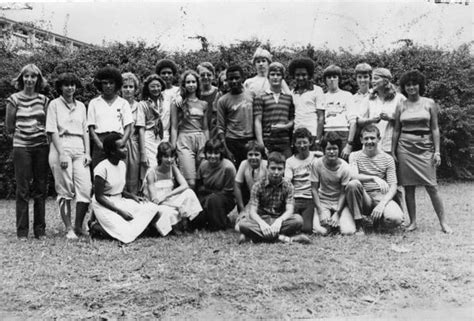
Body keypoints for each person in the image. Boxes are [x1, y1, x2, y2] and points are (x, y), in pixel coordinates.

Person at [392, 70, 452, 233]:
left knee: (432, 186)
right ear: (404, 87)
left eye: (414, 84)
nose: (411, 87)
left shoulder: (429, 103)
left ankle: (443, 223)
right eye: (408, 85)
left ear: (420, 85)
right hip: (405, 148)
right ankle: (413, 222)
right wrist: (393, 152)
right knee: (408, 187)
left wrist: (437, 151)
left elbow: (435, 128)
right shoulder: (401, 105)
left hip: (425, 148)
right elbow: (396, 130)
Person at [5, 64, 49, 239]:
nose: (29, 80)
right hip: (22, 147)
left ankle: (40, 230)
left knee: (40, 188)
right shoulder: (14, 100)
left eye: (33, 76)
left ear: (38, 79)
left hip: (41, 147)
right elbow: (9, 127)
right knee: (22, 189)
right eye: (26, 76)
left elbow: (48, 125)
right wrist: (22, 138)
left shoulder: (44, 100)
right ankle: (22, 231)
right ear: (21, 78)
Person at [91, 133, 160, 244]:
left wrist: (133, 197)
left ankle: (127, 227)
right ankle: (96, 227)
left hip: (120, 201)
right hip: (106, 205)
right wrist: (120, 212)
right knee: (126, 236)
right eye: (122, 147)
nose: (126, 149)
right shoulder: (102, 168)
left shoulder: (122, 165)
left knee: (152, 208)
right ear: (112, 151)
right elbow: (99, 197)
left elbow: (119, 190)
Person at [46, 72, 92, 239]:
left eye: (72, 84)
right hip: (61, 146)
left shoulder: (81, 106)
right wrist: (62, 154)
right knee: (65, 189)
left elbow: (86, 130)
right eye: (66, 85)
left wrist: (87, 152)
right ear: (60, 87)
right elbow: (52, 130)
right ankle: (69, 228)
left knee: (85, 188)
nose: (70, 88)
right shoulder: (54, 105)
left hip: (79, 147)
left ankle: (79, 226)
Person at [238, 152, 310, 244]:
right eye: (273, 168)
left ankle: (253, 238)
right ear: (267, 168)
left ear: (284, 170)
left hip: (280, 219)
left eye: (279, 169)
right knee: (243, 224)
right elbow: (253, 211)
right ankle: (285, 238)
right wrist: (261, 223)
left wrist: (279, 221)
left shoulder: (288, 186)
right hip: (262, 219)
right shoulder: (258, 185)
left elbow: (289, 210)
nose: (276, 172)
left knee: (298, 220)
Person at [345, 125, 404, 234]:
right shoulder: (354, 156)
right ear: (361, 140)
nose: (369, 141)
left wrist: (382, 204)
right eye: (366, 138)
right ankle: (359, 223)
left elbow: (393, 186)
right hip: (364, 197)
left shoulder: (387, 158)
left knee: (396, 219)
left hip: (381, 196)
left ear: (378, 139)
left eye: (372, 138)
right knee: (353, 184)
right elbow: (353, 176)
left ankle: (379, 220)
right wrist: (373, 178)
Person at [144, 142, 202, 236]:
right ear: (160, 157)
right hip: (158, 203)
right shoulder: (151, 173)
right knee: (168, 212)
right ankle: (170, 227)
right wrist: (174, 204)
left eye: (172, 156)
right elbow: (154, 199)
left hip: (169, 199)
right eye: (166, 157)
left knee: (189, 192)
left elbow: (185, 185)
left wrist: (168, 196)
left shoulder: (173, 168)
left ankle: (190, 223)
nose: (170, 160)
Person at [170, 70, 209, 189]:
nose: (191, 84)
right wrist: (172, 148)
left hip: (201, 140)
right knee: (190, 182)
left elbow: (206, 128)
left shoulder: (204, 104)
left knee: (202, 180)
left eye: (193, 82)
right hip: (184, 140)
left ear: (197, 84)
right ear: (184, 84)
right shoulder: (178, 103)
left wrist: (207, 145)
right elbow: (174, 127)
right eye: (188, 82)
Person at [87, 66, 133, 168]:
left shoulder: (123, 103)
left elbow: (128, 127)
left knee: (118, 175)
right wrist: (100, 145)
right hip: (100, 141)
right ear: (100, 84)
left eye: (111, 83)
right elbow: (91, 128)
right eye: (105, 83)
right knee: (99, 174)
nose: (108, 86)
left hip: (118, 140)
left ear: (116, 84)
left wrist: (122, 142)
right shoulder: (94, 103)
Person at [310, 132, 353, 235]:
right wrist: (320, 211)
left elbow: (343, 193)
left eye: (335, 148)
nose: (332, 152)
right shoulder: (317, 164)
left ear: (339, 149)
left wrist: (338, 213)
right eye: (329, 149)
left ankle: (338, 220)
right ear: (324, 150)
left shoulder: (345, 168)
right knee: (320, 231)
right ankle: (329, 222)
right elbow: (314, 189)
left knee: (348, 231)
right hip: (323, 201)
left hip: (339, 202)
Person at [357, 68, 405, 153]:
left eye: (376, 78)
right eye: (372, 79)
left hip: (392, 146)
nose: (372, 81)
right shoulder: (369, 98)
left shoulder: (399, 98)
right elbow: (359, 121)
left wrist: (390, 119)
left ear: (386, 81)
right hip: (371, 145)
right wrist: (370, 120)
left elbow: (406, 122)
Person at [193, 139, 236, 231]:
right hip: (206, 195)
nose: (213, 156)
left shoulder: (228, 167)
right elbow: (199, 186)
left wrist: (209, 193)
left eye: (216, 153)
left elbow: (229, 191)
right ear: (205, 153)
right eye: (209, 153)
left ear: (221, 153)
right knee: (196, 219)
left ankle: (219, 224)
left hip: (224, 197)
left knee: (213, 200)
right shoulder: (203, 165)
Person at [254, 62, 295, 159]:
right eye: (272, 74)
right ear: (268, 77)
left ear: (282, 78)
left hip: (285, 143)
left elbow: (293, 119)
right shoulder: (260, 97)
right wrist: (261, 143)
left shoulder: (288, 97)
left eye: (278, 75)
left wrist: (284, 126)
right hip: (268, 142)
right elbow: (257, 121)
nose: (275, 77)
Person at [216, 65, 255, 167]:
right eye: (230, 79)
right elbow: (220, 127)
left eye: (237, 78)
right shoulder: (222, 100)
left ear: (242, 78)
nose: (234, 81)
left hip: (250, 140)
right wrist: (226, 149)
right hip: (232, 142)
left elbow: (258, 119)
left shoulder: (252, 95)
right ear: (227, 80)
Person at [285, 128, 321, 233]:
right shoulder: (290, 161)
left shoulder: (316, 157)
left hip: (310, 198)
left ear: (310, 142)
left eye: (304, 142)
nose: (302, 146)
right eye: (299, 143)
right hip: (295, 198)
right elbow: (287, 182)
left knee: (306, 229)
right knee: (292, 225)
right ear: (294, 144)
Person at [288, 58, 325, 150]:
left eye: (304, 75)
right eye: (298, 75)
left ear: (309, 75)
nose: (300, 78)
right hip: (297, 136)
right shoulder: (292, 93)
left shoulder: (317, 90)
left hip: (312, 135)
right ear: (294, 75)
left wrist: (318, 139)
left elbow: (321, 117)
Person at [321, 65, 356, 160]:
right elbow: (320, 120)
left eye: (334, 77)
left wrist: (349, 144)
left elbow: (353, 122)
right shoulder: (321, 96)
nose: (332, 80)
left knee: (343, 163)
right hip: (327, 132)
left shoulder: (347, 95)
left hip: (343, 133)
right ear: (325, 80)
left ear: (339, 79)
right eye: (329, 77)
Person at [234, 141, 268, 231]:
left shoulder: (266, 165)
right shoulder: (244, 164)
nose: (253, 157)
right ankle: (252, 229)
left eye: (256, 154)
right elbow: (237, 185)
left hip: (266, 203)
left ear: (261, 156)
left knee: (265, 222)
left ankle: (252, 231)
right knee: (238, 227)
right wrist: (242, 209)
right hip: (252, 202)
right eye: (250, 154)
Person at [136, 74, 167, 173]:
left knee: (164, 166)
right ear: (147, 88)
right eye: (152, 86)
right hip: (149, 138)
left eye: (158, 85)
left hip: (164, 137)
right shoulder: (143, 104)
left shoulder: (166, 101)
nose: (156, 88)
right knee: (152, 168)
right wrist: (142, 153)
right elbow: (141, 128)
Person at [121, 72, 142, 193]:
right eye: (125, 87)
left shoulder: (139, 106)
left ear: (135, 89)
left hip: (134, 143)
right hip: (120, 142)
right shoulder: (117, 104)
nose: (128, 90)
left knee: (134, 174)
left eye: (131, 87)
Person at [349, 63, 372, 152]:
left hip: (372, 136)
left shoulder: (376, 95)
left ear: (370, 78)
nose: (362, 80)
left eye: (365, 77)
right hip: (357, 137)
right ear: (356, 78)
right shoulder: (352, 98)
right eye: (359, 77)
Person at [197, 62, 219, 134]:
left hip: (215, 132)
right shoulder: (194, 94)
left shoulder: (218, 93)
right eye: (202, 75)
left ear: (213, 76)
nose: (206, 77)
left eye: (209, 75)